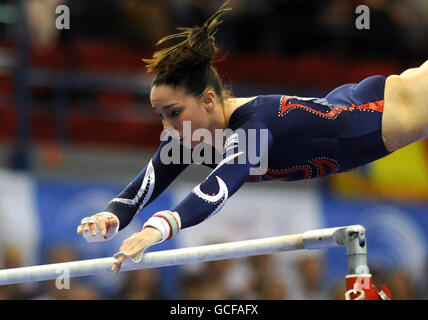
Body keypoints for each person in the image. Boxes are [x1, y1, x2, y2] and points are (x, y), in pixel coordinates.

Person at [76, 1, 428, 274]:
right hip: (381, 108)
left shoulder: (256, 124)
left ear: (209, 100)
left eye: (174, 113)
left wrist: (156, 229)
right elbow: (139, 192)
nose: (167, 128)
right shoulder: (190, 140)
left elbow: (221, 185)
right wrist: (110, 218)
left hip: (397, 107)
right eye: (161, 116)